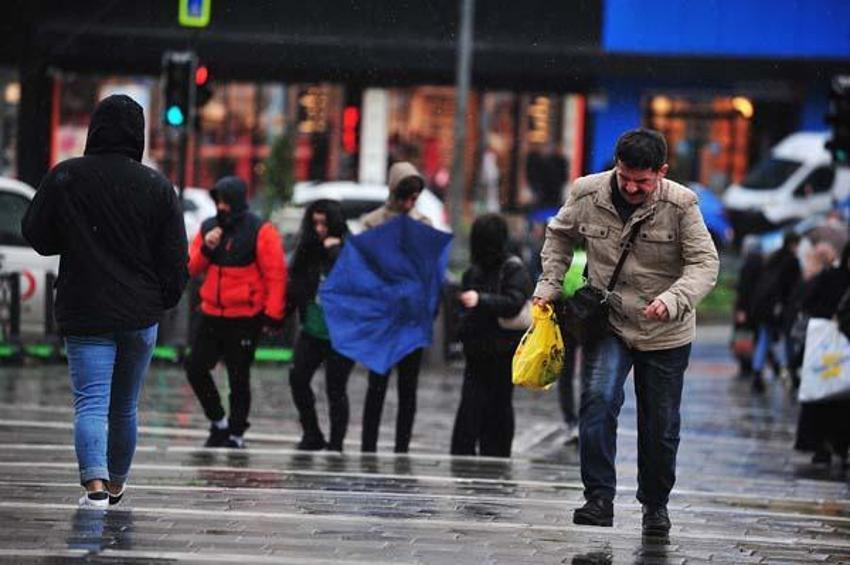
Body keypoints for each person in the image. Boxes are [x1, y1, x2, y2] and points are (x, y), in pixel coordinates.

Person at [532, 128, 718, 536]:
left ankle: (655, 504)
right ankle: (598, 498)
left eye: (643, 181)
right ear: (616, 165)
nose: (632, 187)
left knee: (660, 423)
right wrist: (549, 285)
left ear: (661, 172)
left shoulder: (682, 204)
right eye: (625, 177)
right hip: (609, 321)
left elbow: (705, 263)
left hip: (665, 330)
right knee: (597, 402)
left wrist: (672, 299)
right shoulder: (586, 192)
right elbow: (558, 236)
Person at [21, 94, 189, 508]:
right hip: (140, 312)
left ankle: (94, 486)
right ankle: (116, 484)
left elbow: (36, 235)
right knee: (124, 405)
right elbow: (175, 257)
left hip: (86, 308)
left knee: (91, 402)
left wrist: (74, 237)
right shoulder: (156, 186)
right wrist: (162, 300)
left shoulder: (66, 177)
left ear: (95, 129)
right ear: (139, 134)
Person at [185, 176, 287, 449]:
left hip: (245, 316)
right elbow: (190, 268)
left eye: (225, 201)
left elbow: (275, 275)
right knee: (195, 368)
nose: (221, 206)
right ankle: (218, 421)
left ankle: (236, 432)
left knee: (238, 376)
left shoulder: (260, 230)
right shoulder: (209, 227)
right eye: (218, 201)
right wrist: (207, 247)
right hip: (211, 313)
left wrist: (273, 314)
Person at [360, 161, 432, 453]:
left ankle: (401, 447)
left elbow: (428, 269)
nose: (409, 203)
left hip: (411, 318)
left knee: (408, 387)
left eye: (414, 197)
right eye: (405, 196)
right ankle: (368, 445)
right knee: (376, 384)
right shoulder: (373, 222)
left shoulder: (423, 224)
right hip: (383, 317)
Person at [450, 214, 533, 457]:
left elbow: (514, 303)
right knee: (473, 403)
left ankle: (494, 452)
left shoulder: (512, 268)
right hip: (479, 349)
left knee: (496, 402)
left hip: (502, 349)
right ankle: (469, 451)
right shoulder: (474, 271)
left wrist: (481, 301)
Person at [286, 200, 355, 451]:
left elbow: (357, 281)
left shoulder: (349, 249)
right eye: (315, 223)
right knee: (298, 378)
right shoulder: (307, 250)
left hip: (342, 334)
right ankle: (311, 432)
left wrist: (335, 251)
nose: (320, 229)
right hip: (313, 329)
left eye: (324, 223)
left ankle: (336, 443)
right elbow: (295, 285)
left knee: (335, 388)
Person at [794, 243, 850, 468]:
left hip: (841, 353)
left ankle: (840, 447)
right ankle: (822, 447)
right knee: (823, 397)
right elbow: (809, 303)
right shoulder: (831, 277)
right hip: (829, 348)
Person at [749, 231, 802, 393]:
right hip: (781, 308)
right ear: (793, 244)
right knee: (788, 340)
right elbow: (793, 288)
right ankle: (791, 371)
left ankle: (757, 373)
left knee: (765, 338)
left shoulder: (773, 258)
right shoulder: (792, 261)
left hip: (763, 307)